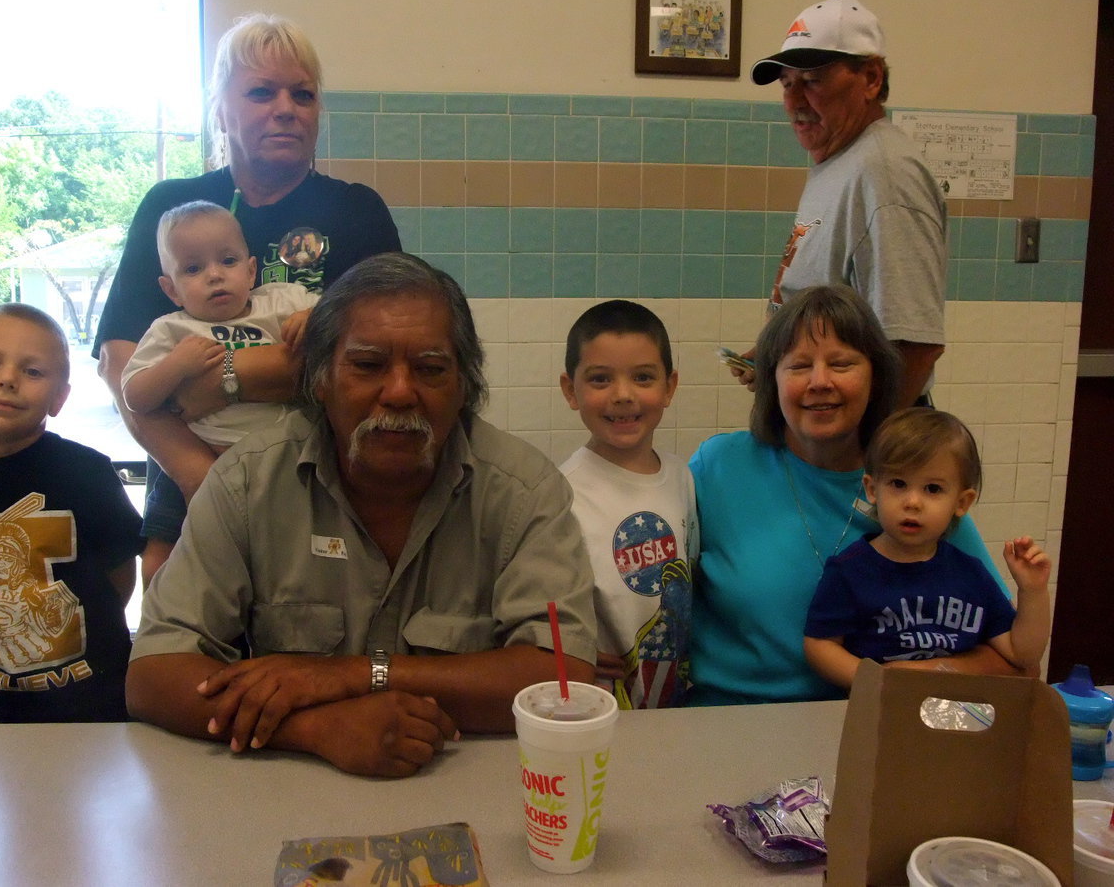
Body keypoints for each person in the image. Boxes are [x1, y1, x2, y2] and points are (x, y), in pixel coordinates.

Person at [126, 253, 597, 778]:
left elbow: (561, 676)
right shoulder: (247, 481)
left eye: (431, 369)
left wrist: (357, 675)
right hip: (287, 795)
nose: (398, 392)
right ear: (320, 379)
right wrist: (315, 728)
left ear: (464, 386)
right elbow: (153, 673)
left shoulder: (524, 490)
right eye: (368, 365)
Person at [93, 13, 401, 586]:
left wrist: (221, 377)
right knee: (182, 639)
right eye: (262, 91)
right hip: (187, 483)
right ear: (220, 108)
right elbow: (121, 360)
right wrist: (197, 476)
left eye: (302, 94)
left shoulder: (358, 211)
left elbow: (375, 363)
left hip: (316, 483)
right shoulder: (173, 208)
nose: (285, 107)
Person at [687, 286, 1019, 707]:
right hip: (728, 719)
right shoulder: (719, 465)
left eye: (841, 364)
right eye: (799, 366)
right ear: (771, 379)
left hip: (868, 719)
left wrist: (904, 677)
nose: (820, 382)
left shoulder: (911, 483)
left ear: (876, 377)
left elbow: (1014, 660)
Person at [0, 304, 144, 723]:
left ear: (59, 398)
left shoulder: (87, 472)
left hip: (101, 701)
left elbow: (119, 581)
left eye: (33, 372)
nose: (7, 378)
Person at [733, 0, 946, 409]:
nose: (794, 102)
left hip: (856, 440)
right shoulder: (841, 161)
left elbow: (914, 345)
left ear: (870, 78)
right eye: (787, 83)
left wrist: (866, 457)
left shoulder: (884, 174)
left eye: (812, 80)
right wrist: (778, 352)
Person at [804, 407, 1051, 689]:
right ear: (872, 489)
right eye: (898, 483)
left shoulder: (971, 573)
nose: (913, 502)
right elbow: (820, 643)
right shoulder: (849, 571)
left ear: (961, 503)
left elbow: (1022, 654)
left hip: (961, 712)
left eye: (932, 489)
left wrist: (1033, 591)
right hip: (882, 710)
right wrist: (877, 682)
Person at [558, 300, 695, 709]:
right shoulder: (560, 496)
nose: (623, 395)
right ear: (571, 390)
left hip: (677, 707)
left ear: (669, 387)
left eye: (643, 378)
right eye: (600, 380)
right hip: (599, 712)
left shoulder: (683, 478)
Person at [121, 201, 316, 461]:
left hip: (300, 447)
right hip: (223, 456)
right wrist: (175, 365)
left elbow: (346, 315)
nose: (214, 274)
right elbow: (135, 398)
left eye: (228, 260)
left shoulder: (283, 300)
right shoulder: (171, 329)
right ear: (172, 290)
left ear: (250, 271)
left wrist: (312, 317)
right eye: (193, 268)